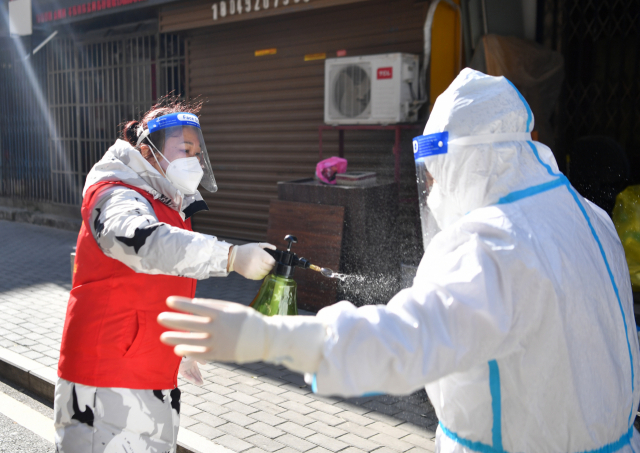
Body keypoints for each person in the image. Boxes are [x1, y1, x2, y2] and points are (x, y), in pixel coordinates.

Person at [158, 69, 640, 453]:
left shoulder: (489, 242)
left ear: (470, 161)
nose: (433, 190)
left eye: (437, 172)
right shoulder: (590, 218)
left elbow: (404, 342)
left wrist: (269, 337)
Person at [54, 98, 276, 453]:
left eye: (198, 152)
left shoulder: (169, 206)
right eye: (185, 150)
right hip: (105, 382)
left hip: (149, 377)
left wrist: (177, 346)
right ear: (148, 151)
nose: (195, 161)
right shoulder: (116, 195)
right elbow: (142, 242)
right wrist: (230, 257)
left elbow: (157, 290)